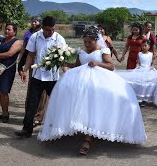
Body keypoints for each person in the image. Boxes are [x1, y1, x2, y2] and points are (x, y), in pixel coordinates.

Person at [37, 26, 147, 155]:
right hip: (82, 82)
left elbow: (111, 66)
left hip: (99, 82)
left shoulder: (103, 50)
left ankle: (88, 138)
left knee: (94, 107)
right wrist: (64, 63)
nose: (87, 44)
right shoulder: (81, 52)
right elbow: (77, 65)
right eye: (85, 42)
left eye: (90, 42)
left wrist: (97, 64)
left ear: (96, 40)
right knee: (80, 105)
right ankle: (81, 128)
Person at [14, 16, 66, 138]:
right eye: (48, 30)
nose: (50, 32)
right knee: (32, 103)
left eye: (52, 29)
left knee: (56, 103)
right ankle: (27, 130)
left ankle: (58, 129)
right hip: (37, 76)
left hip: (53, 78)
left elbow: (63, 59)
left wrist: (66, 72)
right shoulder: (35, 37)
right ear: (42, 28)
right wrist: (25, 70)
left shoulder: (59, 39)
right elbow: (30, 55)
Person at [0, 23, 22, 123]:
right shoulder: (3, 40)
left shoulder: (17, 42)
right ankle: (4, 112)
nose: (7, 31)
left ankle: (6, 114)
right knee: (0, 91)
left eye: (9, 30)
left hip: (7, 70)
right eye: (6, 29)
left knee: (4, 91)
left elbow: (9, 54)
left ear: (14, 31)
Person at [18, 16, 47, 127]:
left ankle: (39, 116)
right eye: (32, 21)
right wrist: (21, 61)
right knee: (32, 89)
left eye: (36, 21)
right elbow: (26, 50)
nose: (34, 23)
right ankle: (29, 114)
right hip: (32, 65)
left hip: (44, 65)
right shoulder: (28, 34)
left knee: (43, 92)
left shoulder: (46, 35)